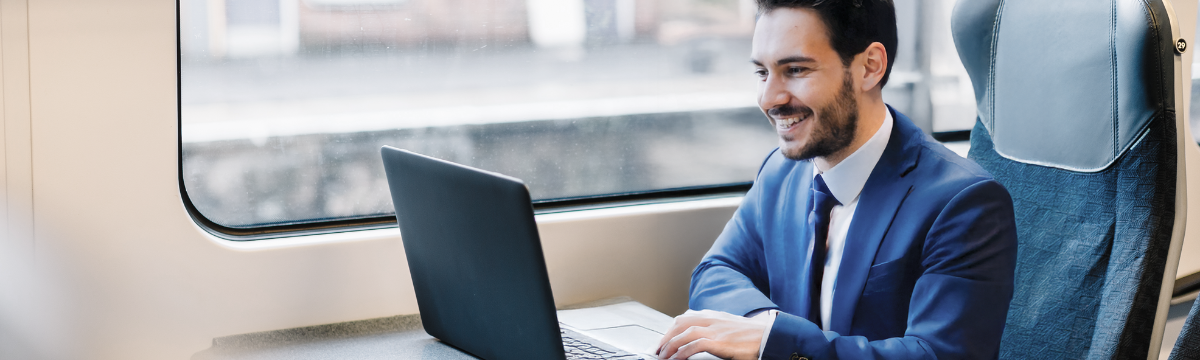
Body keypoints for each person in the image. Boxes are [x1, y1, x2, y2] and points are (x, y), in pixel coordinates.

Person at [654, 0, 1018, 359]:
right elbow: (716, 271)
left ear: (870, 67)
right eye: (763, 73)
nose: (769, 99)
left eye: (795, 70)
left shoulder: (962, 203)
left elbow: (937, 354)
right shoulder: (781, 173)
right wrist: (764, 327)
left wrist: (775, 342)